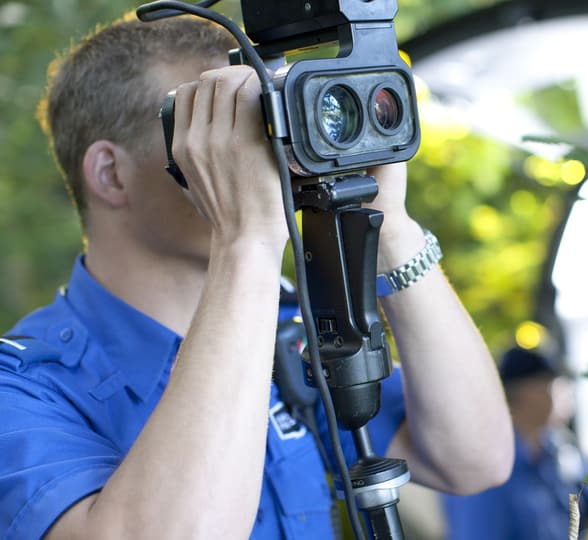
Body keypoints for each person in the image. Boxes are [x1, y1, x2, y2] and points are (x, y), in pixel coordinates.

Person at [0, 13, 513, 540]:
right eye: (216, 127)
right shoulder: (21, 392)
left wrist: (390, 223)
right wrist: (247, 239)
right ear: (111, 174)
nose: (262, 148)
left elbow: (473, 460)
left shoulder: (289, 334)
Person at [442, 347, 588, 540]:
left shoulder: (559, 448)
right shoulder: (485, 468)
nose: (566, 391)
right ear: (525, 392)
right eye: (552, 383)